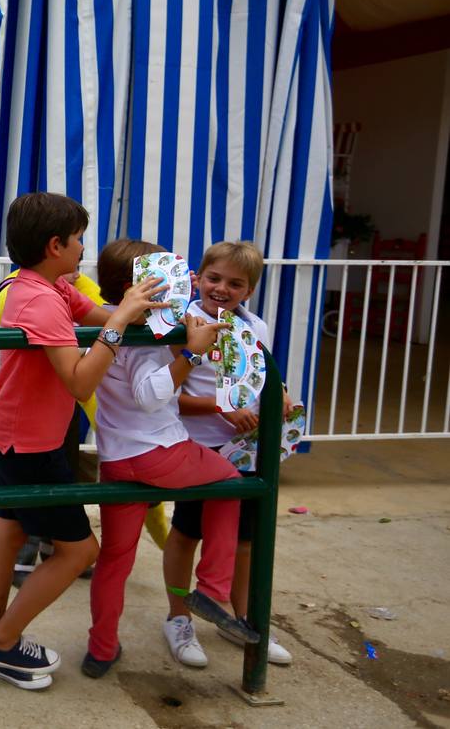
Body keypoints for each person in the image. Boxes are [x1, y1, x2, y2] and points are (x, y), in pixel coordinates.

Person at [0, 192, 167, 691]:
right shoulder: (39, 300)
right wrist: (122, 324)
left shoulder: (44, 284)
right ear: (55, 244)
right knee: (80, 551)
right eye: (79, 239)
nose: (85, 249)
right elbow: (80, 382)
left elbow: (96, 312)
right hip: (30, 445)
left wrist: (137, 309)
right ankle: (1, 644)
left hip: (10, 431)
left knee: (9, 532)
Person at [82, 239, 260, 679]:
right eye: (173, 278)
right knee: (231, 483)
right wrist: (192, 354)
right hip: (160, 452)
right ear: (140, 287)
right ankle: (212, 589)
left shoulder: (108, 331)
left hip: (117, 460)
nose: (186, 285)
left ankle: (101, 648)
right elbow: (149, 395)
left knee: (114, 560)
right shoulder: (143, 340)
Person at [163, 241, 294, 668]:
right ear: (197, 279)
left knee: (246, 541)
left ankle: (239, 618)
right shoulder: (184, 324)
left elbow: (261, 374)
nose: (222, 288)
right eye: (214, 278)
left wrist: (281, 395)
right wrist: (222, 409)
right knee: (186, 533)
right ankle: (179, 618)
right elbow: (169, 396)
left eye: (235, 283)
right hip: (198, 448)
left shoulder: (256, 325)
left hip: (246, 450)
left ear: (249, 290)